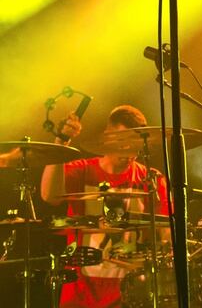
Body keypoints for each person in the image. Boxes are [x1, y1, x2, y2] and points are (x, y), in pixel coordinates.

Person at [40, 104, 170, 308]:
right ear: (107, 137)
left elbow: (166, 237)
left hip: (131, 294)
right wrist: (61, 141)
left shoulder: (151, 179)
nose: (127, 148)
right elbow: (49, 195)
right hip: (80, 292)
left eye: (133, 141)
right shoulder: (82, 170)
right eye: (121, 140)